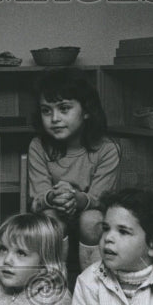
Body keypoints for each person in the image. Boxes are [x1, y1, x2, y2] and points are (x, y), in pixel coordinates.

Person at [27, 67, 121, 272]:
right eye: (46, 110)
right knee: (52, 221)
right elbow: (38, 198)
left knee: (91, 219)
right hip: (52, 212)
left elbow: (100, 199)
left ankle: (94, 284)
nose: (54, 118)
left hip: (92, 217)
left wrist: (76, 198)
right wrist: (55, 197)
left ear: (86, 110)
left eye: (64, 108)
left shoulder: (106, 149)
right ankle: (55, 284)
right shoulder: (38, 145)